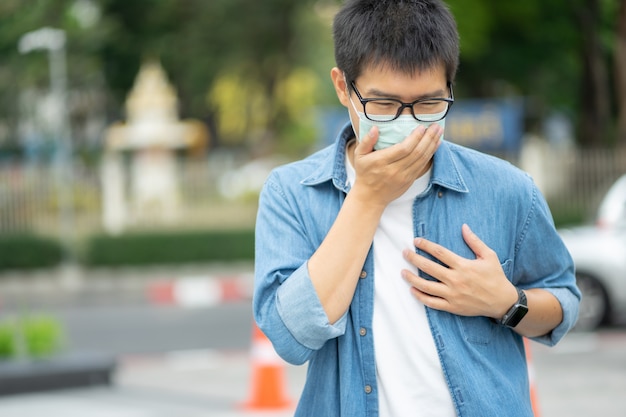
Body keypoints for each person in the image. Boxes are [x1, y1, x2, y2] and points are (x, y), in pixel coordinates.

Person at [253, 0, 581, 416]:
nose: (407, 122)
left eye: (429, 104)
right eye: (384, 105)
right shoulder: (292, 192)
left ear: (449, 88)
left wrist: (506, 302)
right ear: (342, 87)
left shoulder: (508, 189)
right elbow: (289, 337)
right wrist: (368, 198)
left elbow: (563, 301)